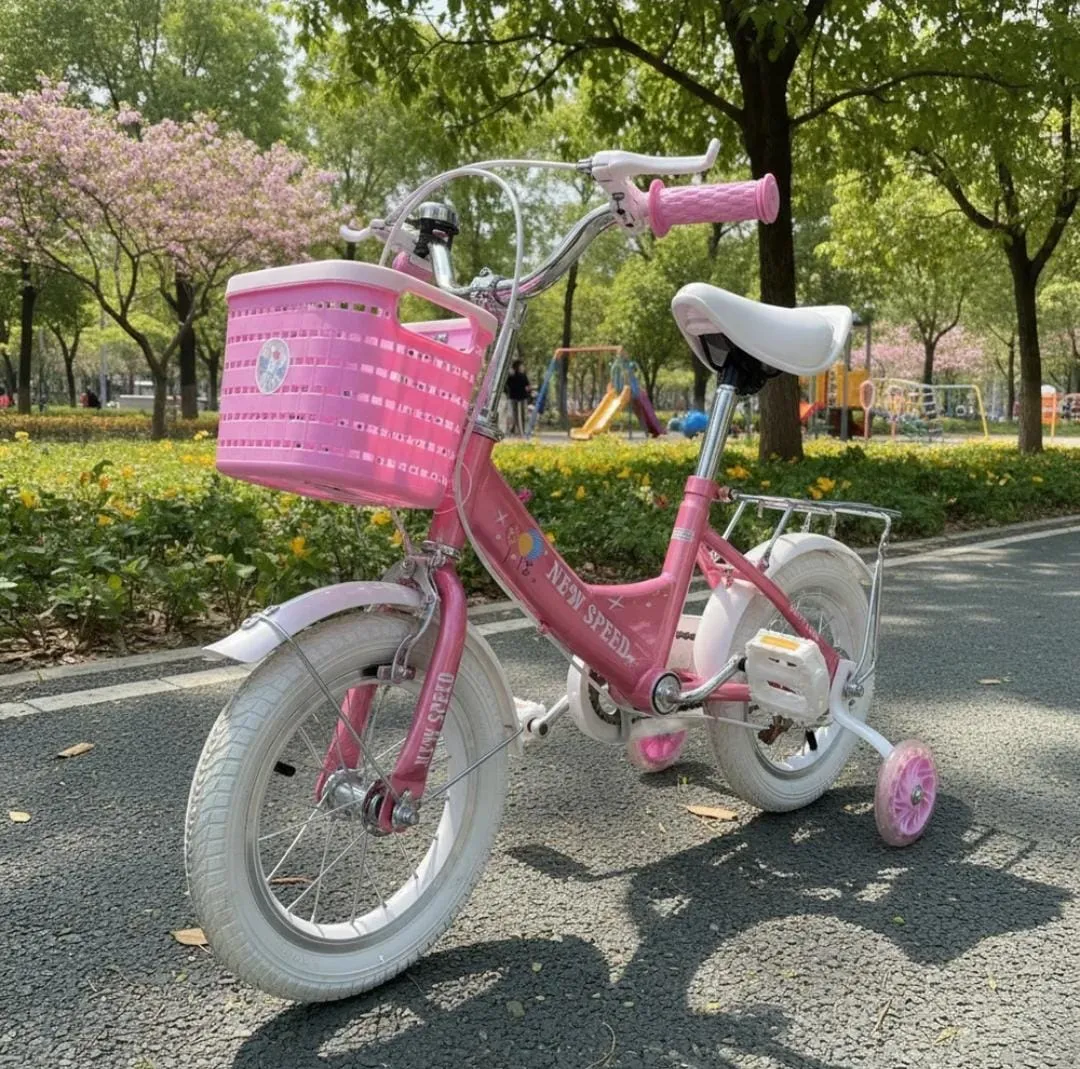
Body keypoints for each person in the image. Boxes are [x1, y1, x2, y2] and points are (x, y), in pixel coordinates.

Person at [505, 360, 531, 436]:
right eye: (521, 366)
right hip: (520, 397)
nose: (523, 367)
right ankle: (520, 430)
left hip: (514, 397)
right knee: (520, 414)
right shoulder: (521, 376)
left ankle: (517, 430)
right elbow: (527, 386)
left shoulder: (512, 376)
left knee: (515, 414)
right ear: (518, 367)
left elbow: (507, 386)